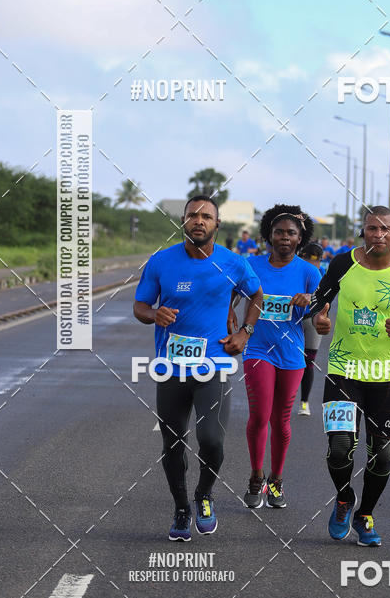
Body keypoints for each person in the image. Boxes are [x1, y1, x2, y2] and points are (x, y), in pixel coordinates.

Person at [133, 196, 263, 541]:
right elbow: (140, 305)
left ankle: (204, 494)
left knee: (212, 440)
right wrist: (154, 314)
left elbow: (256, 295)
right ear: (183, 221)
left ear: (217, 224)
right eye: (193, 215)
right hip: (171, 368)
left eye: (206, 216)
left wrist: (245, 333)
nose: (199, 221)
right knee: (173, 443)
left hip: (214, 365)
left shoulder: (233, 263)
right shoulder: (161, 261)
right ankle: (181, 509)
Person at [310, 206, 390, 547]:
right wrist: (319, 319)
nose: (378, 234)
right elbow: (319, 301)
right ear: (362, 232)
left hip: (386, 376)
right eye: (372, 228)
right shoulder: (342, 264)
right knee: (340, 448)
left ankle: (365, 514)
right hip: (343, 370)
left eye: (385, 229)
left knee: (382, 454)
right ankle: (344, 498)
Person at [241, 205, 320, 508]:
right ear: (269, 235)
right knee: (260, 415)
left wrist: (310, 301)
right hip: (258, 349)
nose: (284, 237)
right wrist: (230, 317)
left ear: (300, 239)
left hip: (291, 353)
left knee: (281, 421)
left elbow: (321, 311)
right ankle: (256, 475)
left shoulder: (309, 272)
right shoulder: (251, 265)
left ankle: (276, 479)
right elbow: (231, 291)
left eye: (291, 233)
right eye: (278, 232)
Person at [297, 241, 325, 416]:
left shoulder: (322, 274)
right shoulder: (295, 269)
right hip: (293, 320)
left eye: (318, 261)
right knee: (288, 360)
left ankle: (304, 402)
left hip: (311, 320)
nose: (316, 265)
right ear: (302, 257)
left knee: (309, 362)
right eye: (312, 260)